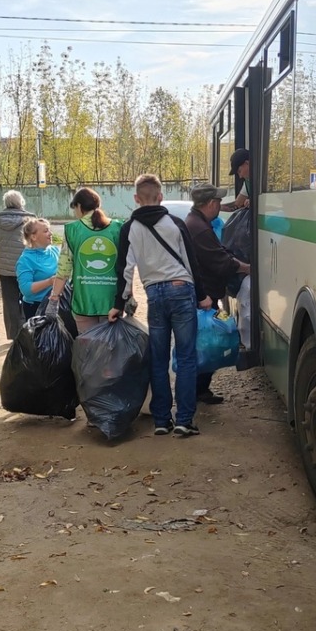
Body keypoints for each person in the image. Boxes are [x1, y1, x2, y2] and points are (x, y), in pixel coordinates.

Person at [108, 173, 211, 437]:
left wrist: (118, 304)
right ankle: (184, 420)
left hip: (154, 295)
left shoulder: (129, 228)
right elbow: (191, 262)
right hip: (181, 290)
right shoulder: (175, 223)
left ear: (136, 198)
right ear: (161, 197)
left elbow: (125, 269)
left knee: (158, 359)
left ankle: (162, 420)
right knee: (186, 358)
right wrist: (202, 295)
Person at [184, 183, 250, 404]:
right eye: (219, 202)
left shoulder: (197, 223)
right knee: (205, 343)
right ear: (211, 204)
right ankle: (196, 392)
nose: (220, 205)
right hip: (203, 297)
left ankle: (200, 390)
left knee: (204, 342)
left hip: (204, 294)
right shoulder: (200, 228)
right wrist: (247, 268)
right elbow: (220, 262)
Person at [49, 187, 123, 333]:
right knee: (111, 348)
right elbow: (125, 266)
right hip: (112, 302)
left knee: (87, 348)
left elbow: (64, 268)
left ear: (79, 206)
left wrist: (54, 298)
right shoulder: (118, 228)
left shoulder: (72, 230)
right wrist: (128, 296)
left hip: (84, 301)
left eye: (74, 208)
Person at [0, 190, 34, 340]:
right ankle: (28, 332)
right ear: (21, 202)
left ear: (6, 203)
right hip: (26, 266)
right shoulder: (28, 219)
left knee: (10, 300)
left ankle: (13, 334)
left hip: (4, 268)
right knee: (28, 297)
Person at [16, 217, 60, 323]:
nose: (50, 233)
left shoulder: (55, 250)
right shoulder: (25, 260)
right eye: (45, 231)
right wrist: (50, 282)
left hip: (58, 304)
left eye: (49, 230)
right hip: (36, 308)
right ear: (33, 237)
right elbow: (25, 289)